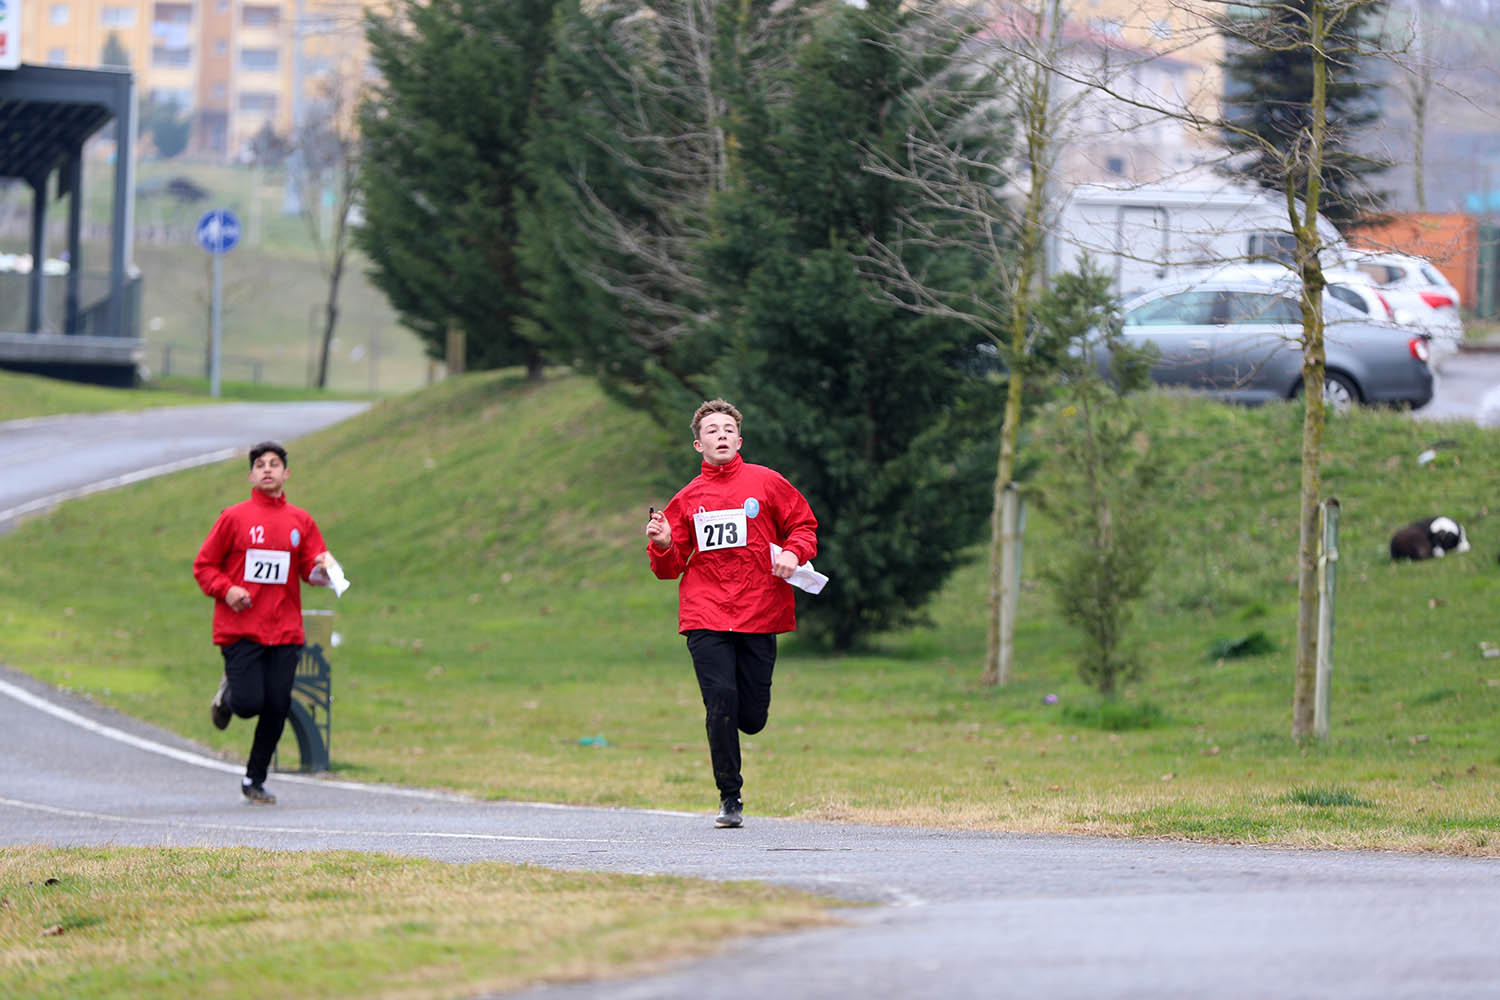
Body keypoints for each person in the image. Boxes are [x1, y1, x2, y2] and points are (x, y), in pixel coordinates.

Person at [645, 399, 819, 828]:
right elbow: (669, 569)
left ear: (738, 441)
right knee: (719, 701)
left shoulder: (767, 483)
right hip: (705, 614)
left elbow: (804, 526)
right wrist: (665, 542)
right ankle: (730, 796)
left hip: (760, 611)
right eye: (711, 430)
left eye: (727, 429)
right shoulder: (687, 499)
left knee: (752, 718)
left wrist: (794, 553)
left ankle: (743, 722)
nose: (720, 435)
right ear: (697, 444)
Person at [193, 441, 339, 805]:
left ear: (286, 474)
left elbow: (311, 570)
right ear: (251, 476)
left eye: (275, 464)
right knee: (248, 703)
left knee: (277, 705)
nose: (268, 469)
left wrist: (324, 570)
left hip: (285, 630)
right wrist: (227, 590)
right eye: (260, 465)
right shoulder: (233, 518)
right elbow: (204, 566)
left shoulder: (300, 521)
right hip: (241, 627)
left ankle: (254, 780)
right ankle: (227, 697)